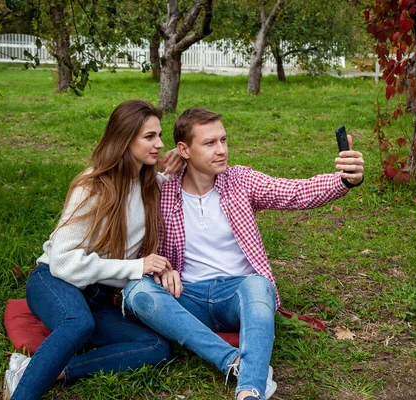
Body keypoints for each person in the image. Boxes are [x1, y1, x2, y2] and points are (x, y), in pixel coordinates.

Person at [122, 107, 365, 400]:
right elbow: (138, 242)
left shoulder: (240, 181)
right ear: (184, 149)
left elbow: (295, 192)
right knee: (136, 288)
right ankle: (233, 360)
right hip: (187, 296)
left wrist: (345, 181)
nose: (221, 150)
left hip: (237, 297)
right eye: (210, 143)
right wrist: (161, 268)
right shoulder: (162, 190)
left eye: (223, 140)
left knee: (259, 283)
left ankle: (249, 390)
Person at [3, 100, 184, 400]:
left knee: (156, 347)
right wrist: (135, 268)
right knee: (78, 323)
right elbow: (62, 262)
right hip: (53, 281)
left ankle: (45, 370)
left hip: (95, 295)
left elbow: (188, 175)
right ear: (125, 139)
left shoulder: (151, 185)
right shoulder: (92, 187)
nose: (159, 144)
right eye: (149, 137)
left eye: (160, 135)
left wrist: (181, 156)